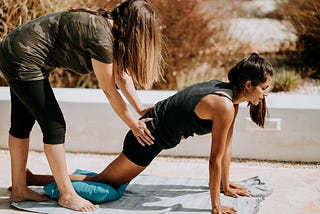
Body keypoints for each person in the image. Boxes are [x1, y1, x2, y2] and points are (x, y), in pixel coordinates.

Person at [25, 53, 274, 213]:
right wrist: (216, 205)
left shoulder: (229, 97)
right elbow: (214, 159)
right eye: (264, 88)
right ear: (248, 85)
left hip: (151, 131)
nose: (266, 93)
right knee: (104, 184)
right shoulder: (224, 105)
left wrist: (226, 186)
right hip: (146, 138)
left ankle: (36, 178)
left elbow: (226, 149)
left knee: (107, 180)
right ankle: (35, 180)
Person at [0, 0, 165, 211]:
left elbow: (122, 76)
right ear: (136, 28)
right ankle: (67, 194)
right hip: (23, 56)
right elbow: (109, 90)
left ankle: (19, 188)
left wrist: (140, 109)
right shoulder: (101, 38)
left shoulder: (109, 27)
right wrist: (133, 124)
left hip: (15, 49)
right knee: (54, 126)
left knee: (22, 123)